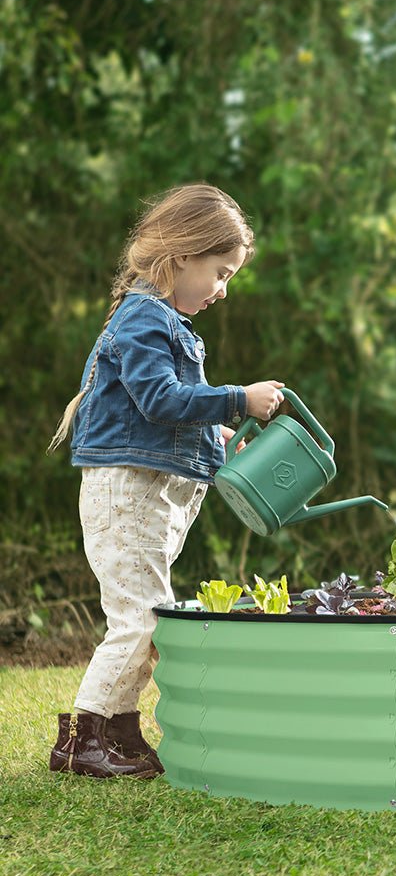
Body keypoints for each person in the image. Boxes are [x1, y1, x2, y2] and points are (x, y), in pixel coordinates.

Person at [46, 184, 285, 777]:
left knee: (148, 616)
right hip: (129, 492)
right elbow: (159, 399)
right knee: (140, 619)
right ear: (181, 255)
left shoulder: (163, 321)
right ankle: (83, 741)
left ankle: (120, 733)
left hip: (151, 495)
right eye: (220, 271)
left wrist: (215, 438)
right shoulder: (143, 318)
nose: (223, 289)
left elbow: (162, 413)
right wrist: (237, 399)